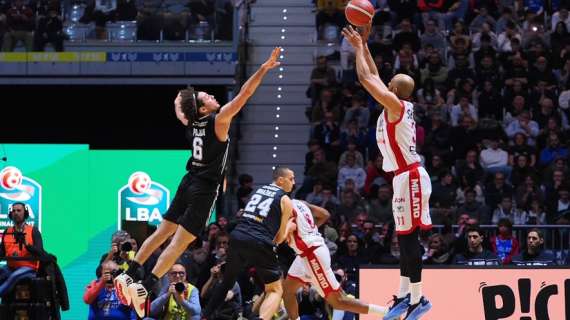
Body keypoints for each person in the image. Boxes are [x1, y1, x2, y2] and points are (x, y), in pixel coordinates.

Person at [114, 47, 283, 317]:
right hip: (204, 189)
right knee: (178, 245)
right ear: (204, 108)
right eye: (208, 97)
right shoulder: (219, 121)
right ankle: (144, 285)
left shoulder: (191, 123)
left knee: (160, 234)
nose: (213, 96)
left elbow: (180, 106)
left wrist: (188, 99)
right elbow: (245, 95)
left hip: (188, 180)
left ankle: (129, 276)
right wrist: (264, 68)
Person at [342, 25, 432, 320]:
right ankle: (406, 295)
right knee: (403, 238)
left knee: (409, 241)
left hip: (412, 177)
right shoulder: (394, 102)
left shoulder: (394, 104)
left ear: (393, 89)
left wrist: (357, 49)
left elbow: (367, 78)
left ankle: (419, 300)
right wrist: (365, 45)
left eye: (390, 81)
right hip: (403, 178)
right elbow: (375, 77)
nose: (386, 81)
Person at [201, 167, 296, 320]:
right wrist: (290, 227)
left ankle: (204, 316)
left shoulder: (258, 191)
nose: (294, 182)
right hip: (259, 241)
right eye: (291, 178)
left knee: (227, 281)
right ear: (280, 180)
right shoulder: (285, 200)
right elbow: (278, 239)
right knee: (275, 289)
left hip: (238, 236)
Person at [282, 200, 388, 319]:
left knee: (339, 301)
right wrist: (308, 231)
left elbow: (280, 238)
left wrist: (289, 231)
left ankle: (386, 312)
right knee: (288, 291)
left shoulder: (282, 209)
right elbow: (325, 214)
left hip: (312, 255)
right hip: (305, 255)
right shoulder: (300, 203)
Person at [0, 202, 44, 296]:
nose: (16, 213)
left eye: (19, 210)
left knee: (13, 277)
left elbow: (40, 253)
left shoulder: (33, 231)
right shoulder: (7, 232)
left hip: (29, 268)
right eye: (14, 211)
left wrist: (28, 246)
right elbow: (2, 253)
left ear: (25, 213)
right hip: (10, 268)